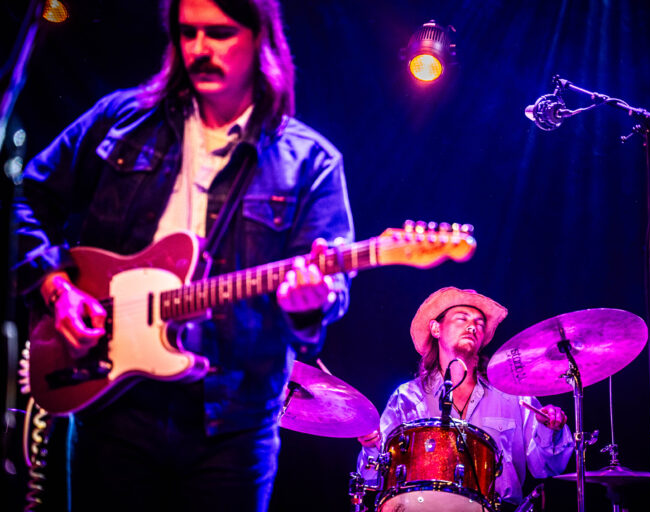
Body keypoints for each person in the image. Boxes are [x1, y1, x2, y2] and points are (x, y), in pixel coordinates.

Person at [12, 0, 354, 510]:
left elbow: (325, 300)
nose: (199, 49)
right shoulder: (122, 121)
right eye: (187, 33)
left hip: (233, 428)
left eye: (219, 34)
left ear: (260, 39)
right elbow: (24, 198)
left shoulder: (310, 162)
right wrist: (56, 288)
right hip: (112, 406)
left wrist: (308, 301)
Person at [357, 287, 574, 510]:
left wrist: (549, 429)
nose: (472, 326)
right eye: (462, 318)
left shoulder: (513, 395)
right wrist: (371, 448)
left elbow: (547, 468)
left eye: (480, 323)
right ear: (435, 328)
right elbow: (372, 479)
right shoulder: (407, 397)